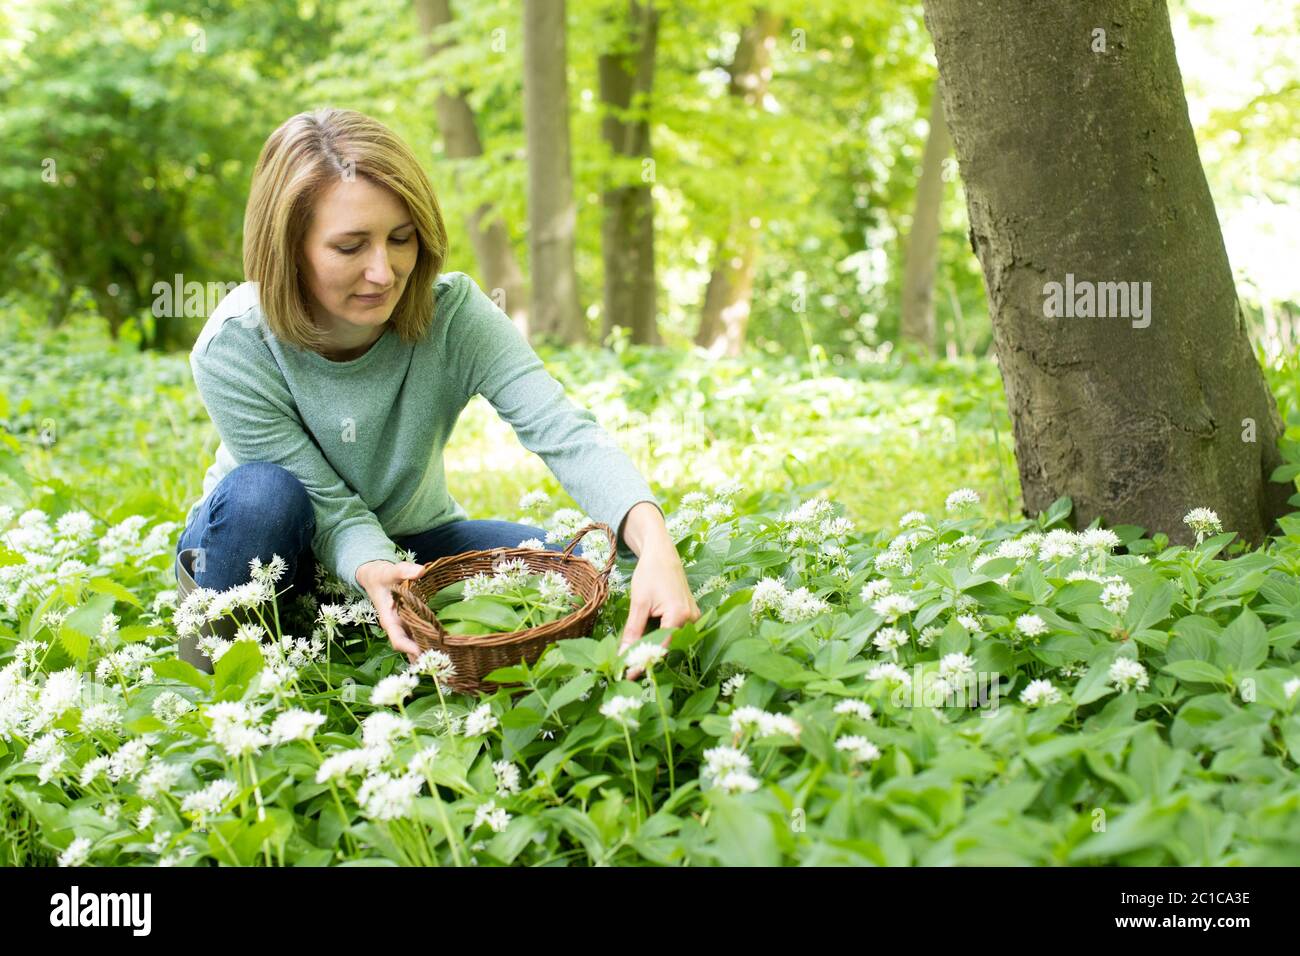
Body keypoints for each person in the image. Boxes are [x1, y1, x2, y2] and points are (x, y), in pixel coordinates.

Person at [175, 107, 698, 674]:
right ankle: (226, 655)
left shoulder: (455, 316)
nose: (384, 272)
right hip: (278, 551)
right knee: (262, 495)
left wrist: (653, 540)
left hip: (412, 547)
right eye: (350, 248)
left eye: (401, 239)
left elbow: (564, 431)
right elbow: (325, 502)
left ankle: (378, 618)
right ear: (288, 248)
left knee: (579, 558)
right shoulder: (235, 345)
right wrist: (368, 565)